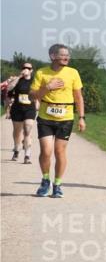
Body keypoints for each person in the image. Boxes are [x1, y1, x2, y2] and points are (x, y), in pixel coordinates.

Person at [30, 44, 85, 198]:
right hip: (46, 117)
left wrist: (81, 117)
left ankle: (58, 184)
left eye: (68, 55)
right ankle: (45, 180)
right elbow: (32, 96)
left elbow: (78, 97)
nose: (67, 57)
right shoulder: (42, 72)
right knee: (46, 151)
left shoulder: (73, 73)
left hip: (65, 118)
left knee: (59, 151)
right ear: (53, 56)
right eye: (63, 55)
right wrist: (47, 87)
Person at [4, 62, 39, 163]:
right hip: (17, 109)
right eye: (24, 67)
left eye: (28, 68)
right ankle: (16, 149)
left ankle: (27, 155)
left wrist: (38, 102)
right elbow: (9, 89)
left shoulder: (34, 81)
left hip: (30, 109)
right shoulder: (17, 80)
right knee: (17, 132)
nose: (26, 69)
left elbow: (39, 92)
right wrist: (19, 76)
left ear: (31, 70)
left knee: (28, 130)